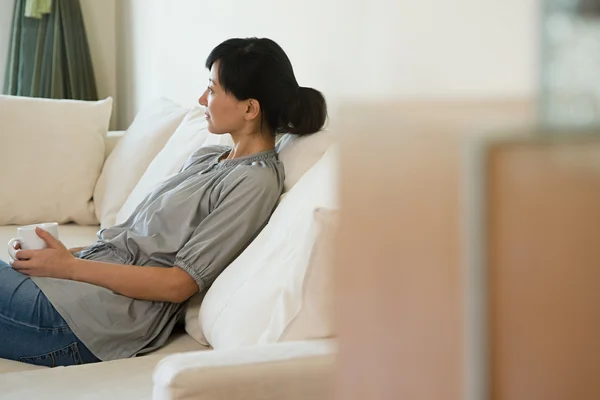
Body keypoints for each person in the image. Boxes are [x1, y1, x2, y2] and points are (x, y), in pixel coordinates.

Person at [0, 37, 327, 367]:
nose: (201, 99)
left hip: (89, 321)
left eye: (212, 90)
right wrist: (55, 256)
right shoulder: (209, 158)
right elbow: (134, 242)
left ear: (249, 108)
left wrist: (70, 267)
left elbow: (178, 284)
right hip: (74, 291)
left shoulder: (253, 182)